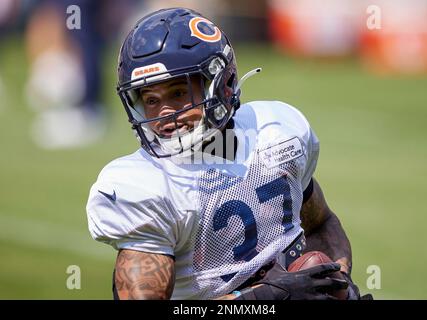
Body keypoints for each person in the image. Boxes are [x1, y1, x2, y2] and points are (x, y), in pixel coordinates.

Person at [86, 7, 365, 300]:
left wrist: (339, 283)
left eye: (179, 93)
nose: (164, 113)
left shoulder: (275, 134)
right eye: (151, 100)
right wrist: (261, 299)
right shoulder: (143, 186)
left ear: (222, 84)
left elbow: (320, 224)